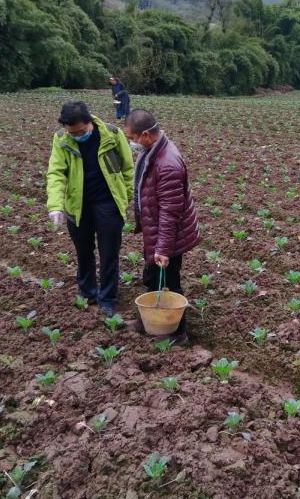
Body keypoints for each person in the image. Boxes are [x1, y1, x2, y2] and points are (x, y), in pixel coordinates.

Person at [46, 101, 134, 317]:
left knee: (109, 253)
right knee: (83, 251)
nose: (77, 136)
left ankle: (107, 298)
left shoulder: (111, 134)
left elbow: (128, 166)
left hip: (108, 203)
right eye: (72, 133)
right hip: (78, 205)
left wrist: (126, 197)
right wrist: (56, 206)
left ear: (90, 122)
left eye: (81, 131)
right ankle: (87, 292)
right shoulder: (61, 139)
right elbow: (56, 173)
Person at [124, 108, 199, 343]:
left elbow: (170, 212)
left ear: (146, 134)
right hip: (156, 230)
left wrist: (163, 249)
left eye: (133, 138)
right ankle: (146, 321)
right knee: (151, 276)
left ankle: (179, 332)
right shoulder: (154, 151)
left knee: (170, 282)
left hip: (168, 234)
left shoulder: (167, 164)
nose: (132, 143)